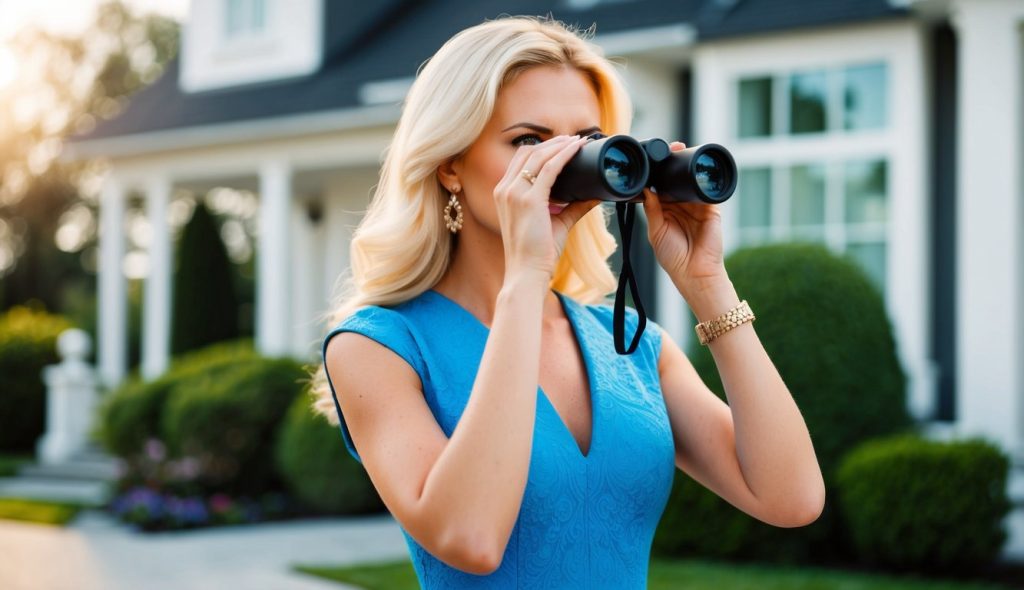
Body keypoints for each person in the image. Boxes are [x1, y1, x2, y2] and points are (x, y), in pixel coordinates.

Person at [309, 15, 824, 589]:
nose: (557, 166)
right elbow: (470, 538)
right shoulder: (379, 347)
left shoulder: (630, 345)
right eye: (529, 141)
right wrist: (526, 277)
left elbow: (792, 497)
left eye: (585, 143)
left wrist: (707, 284)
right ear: (451, 164)